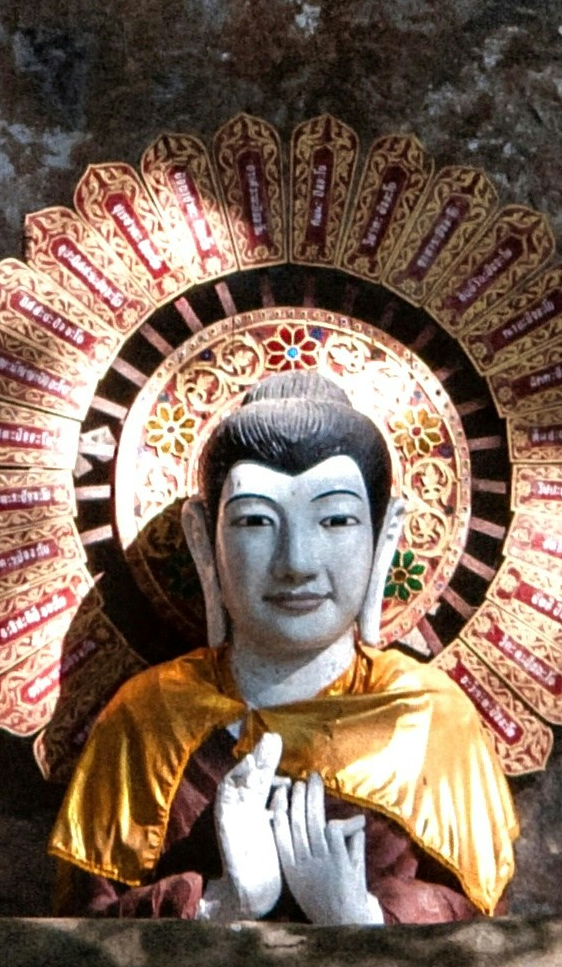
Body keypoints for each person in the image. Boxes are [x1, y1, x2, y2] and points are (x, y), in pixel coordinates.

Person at [48, 371, 517, 922]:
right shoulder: (147, 720)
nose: (296, 560)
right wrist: (218, 904)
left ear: (385, 536)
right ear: (204, 540)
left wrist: (363, 917)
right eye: (256, 521)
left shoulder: (432, 723)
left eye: (336, 519)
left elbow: (490, 947)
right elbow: (77, 945)